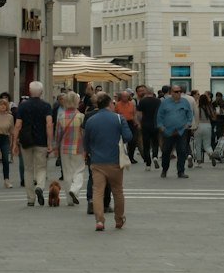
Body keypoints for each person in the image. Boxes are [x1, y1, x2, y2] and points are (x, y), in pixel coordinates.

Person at [82, 93, 131, 231]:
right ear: (110, 104)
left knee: (97, 191)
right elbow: (128, 136)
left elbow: (86, 140)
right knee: (117, 191)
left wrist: (88, 151)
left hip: (97, 161)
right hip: (115, 161)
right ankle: (119, 219)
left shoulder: (91, 120)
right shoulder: (119, 118)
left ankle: (99, 221)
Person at [12, 81, 54, 207]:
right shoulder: (46, 106)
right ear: (41, 92)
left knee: (28, 169)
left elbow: (18, 125)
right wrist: (49, 142)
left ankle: (30, 198)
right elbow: (49, 124)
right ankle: (40, 187)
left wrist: (14, 143)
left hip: (26, 141)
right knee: (41, 167)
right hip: (41, 141)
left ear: (29, 92)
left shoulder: (23, 106)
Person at [54, 90, 85, 205]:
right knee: (79, 170)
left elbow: (58, 135)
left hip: (64, 148)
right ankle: (75, 189)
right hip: (78, 147)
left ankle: (69, 199)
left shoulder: (61, 117)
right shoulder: (81, 117)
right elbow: (84, 134)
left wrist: (56, 147)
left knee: (67, 173)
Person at [157, 84, 194, 178]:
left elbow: (189, 113)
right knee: (166, 151)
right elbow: (160, 116)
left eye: (180, 91)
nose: (178, 93)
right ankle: (164, 169)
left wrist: (188, 124)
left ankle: (181, 171)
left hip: (182, 130)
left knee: (181, 151)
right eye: (176, 91)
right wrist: (161, 127)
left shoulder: (185, 102)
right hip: (168, 131)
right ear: (171, 92)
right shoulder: (165, 103)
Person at [137, 86, 160, 168]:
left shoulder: (142, 101)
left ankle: (148, 163)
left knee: (146, 144)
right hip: (155, 124)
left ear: (146, 92)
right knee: (155, 142)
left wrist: (139, 123)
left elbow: (139, 114)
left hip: (145, 124)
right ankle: (155, 156)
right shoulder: (158, 101)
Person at [195, 92, 217, 165]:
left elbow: (195, 118)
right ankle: (211, 153)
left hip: (198, 126)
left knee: (198, 144)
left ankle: (199, 161)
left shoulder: (197, 108)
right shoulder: (209, 108)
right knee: (207, 144)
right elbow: (214, 118)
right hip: (208, 126)